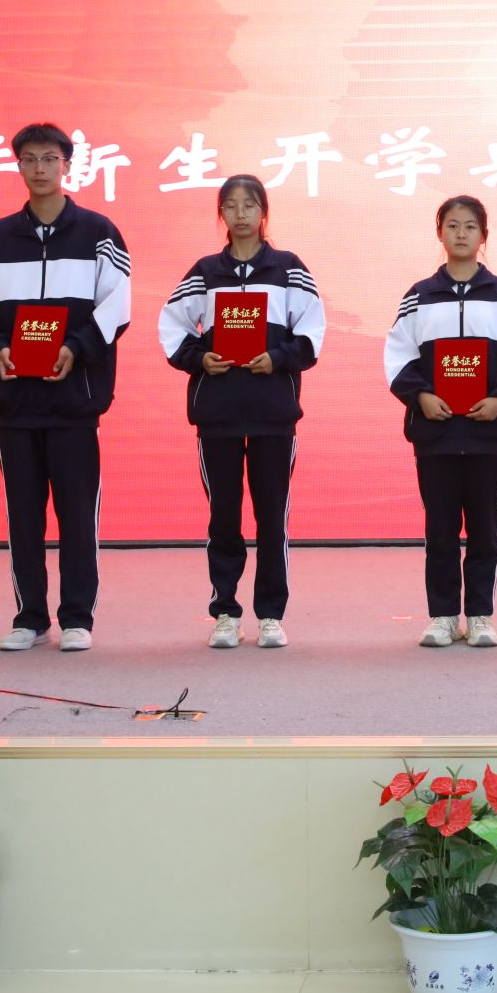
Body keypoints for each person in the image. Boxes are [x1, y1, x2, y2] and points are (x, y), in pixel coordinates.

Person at [0, 122, 132, 654]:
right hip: (16, 402)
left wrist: (76, 347)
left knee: (77, 514)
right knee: (23, 516)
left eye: (49, 159)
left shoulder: (99, 232)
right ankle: (29, 617)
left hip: (73, 401)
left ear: (67, 164)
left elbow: (117, 305)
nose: (39, 168)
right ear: (18, 166)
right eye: (29, 159)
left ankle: (77, 617)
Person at [159, 175, 325, 651]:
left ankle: (270, 614)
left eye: (249, 205)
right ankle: (226, 612)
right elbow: (172, 325)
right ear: (221, 215)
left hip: (274, 414)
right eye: (230, 206)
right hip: (218, 413)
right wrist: (199, 358)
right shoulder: (205, 271)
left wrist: (279, 358)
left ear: (263, 212)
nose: (240, 214)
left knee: (272, 518)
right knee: (223, 518)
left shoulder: (289, 269)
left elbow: (311, 331)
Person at [383, 196, 497, 649]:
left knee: (485, 530)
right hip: (436, 434)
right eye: (452, 226)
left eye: (470, 226)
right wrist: (421, 396)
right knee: (441, 531)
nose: (461, 234)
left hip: (489, 434)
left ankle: (480, 615)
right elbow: (398, 355)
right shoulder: (419, 296)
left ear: (483, 235)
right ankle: (444, 616)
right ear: (440, 233)